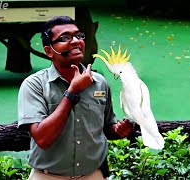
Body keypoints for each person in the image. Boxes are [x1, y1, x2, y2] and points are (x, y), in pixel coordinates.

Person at [17, 15, 134, 180]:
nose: (75, 41)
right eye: (65, 38)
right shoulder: (34, 85)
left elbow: (108, 127)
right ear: (49, 50)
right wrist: (72, 92)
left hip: (93, 175)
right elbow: (42, 138)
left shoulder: (99, 82)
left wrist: (118, 130)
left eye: (79, 36)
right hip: (48, 177)